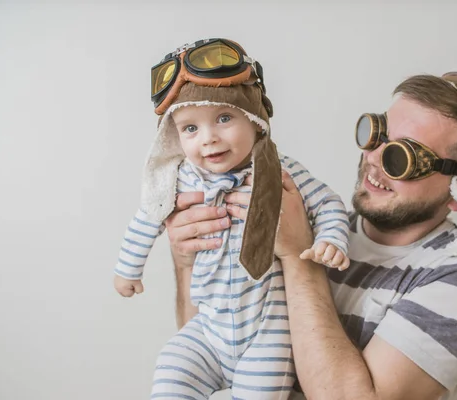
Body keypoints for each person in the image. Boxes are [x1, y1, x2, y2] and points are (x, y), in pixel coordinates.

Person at [165, 72, 457, 399]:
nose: (374, 159)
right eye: (377, 133)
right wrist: (187, 260)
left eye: (403, 157)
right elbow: (218, 342)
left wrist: (298, 256)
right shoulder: (323, 225)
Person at [112, 38, 351, 398]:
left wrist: (330, 239)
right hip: (208, 327)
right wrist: (128, 269)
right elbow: (147, 217)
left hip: (268, 332)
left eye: (224, 119)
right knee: (171, 369)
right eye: (190, 128)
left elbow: (328, 203)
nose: (208, 139)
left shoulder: (280, 171)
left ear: (255, 121)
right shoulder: (180, 178)